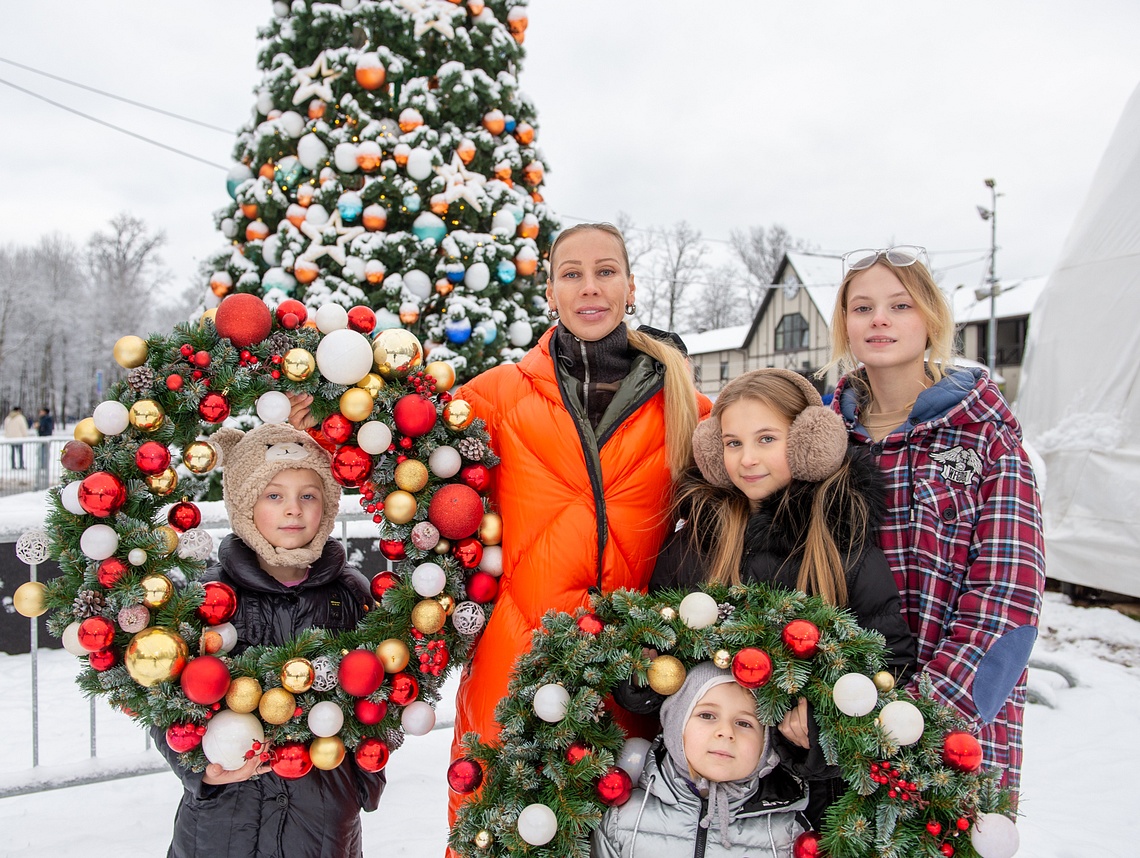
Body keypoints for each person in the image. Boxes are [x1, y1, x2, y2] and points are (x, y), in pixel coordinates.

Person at [643, 368, 916, 828]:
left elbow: (890, 661)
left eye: (766, 439)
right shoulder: (694, 542)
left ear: (810, 443)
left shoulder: (842, 545)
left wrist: (826, 726)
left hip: (803, 806)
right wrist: (642, 681)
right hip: (692, 795)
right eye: (732, 443)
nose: (747, 458)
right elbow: (652, 637)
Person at [824, 245, 1045, 806]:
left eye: (900, 305)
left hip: (954, 732)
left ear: (931, 320)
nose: (879, 319)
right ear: (844, 325)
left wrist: (922, 716)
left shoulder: (983, 434)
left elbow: (1007, 594)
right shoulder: (823, 440)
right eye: (862, 307)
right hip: (833, 728)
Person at [153, 423, 384, 858]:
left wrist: (362, 782)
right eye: (273, 495)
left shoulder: (352, 595)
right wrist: (200, 771)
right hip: (224, 822)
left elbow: (385, 687)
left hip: (321, 815)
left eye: (308, 495)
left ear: (328, 504)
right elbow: (165, 696)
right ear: (244, 504)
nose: (293, 510)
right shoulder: (208, 600)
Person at [592, 662, 808, 858]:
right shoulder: (624, 820)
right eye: (707, 716)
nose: (725, 732)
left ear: (765, 745)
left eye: (744, 723)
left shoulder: (787, 834)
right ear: (676, 726)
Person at [35, 407, 53, 472]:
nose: (40, 413)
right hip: (44, 437)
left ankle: (44, 465)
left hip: (45, 437)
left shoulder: (46, 419)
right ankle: (43, 465)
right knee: (43, 452)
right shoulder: (44, 419)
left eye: (41, 411)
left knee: (44, 452)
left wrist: (39, 427)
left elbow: (46, 428)